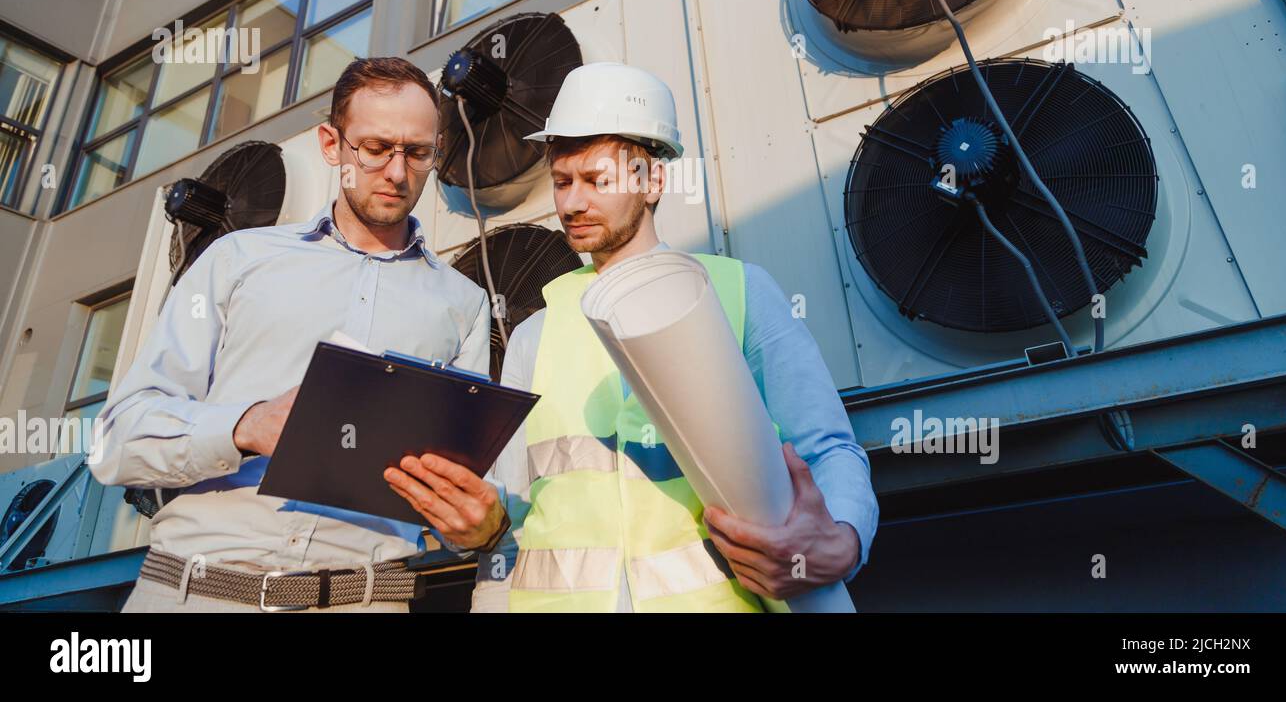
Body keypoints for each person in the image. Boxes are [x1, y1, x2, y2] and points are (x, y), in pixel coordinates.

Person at [389, 61, 879, 612]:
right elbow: (512, 519)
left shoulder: (739, 294)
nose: (571, 204)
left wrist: (843, 541)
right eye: (561, 182)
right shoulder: (534, 334)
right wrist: (474, 524)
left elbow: (828, 448)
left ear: (653, 181)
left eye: (596, 181)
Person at [91, 56, 507, 612]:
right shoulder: (235, 259)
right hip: (196, 596)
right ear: (331, 145)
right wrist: (244, 426)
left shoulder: (465, 304)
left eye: (417, 152)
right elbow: (115, 442)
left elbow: (457, 494)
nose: (398, 173)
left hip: (364, 599)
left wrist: (479, 525)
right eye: (376, 148)